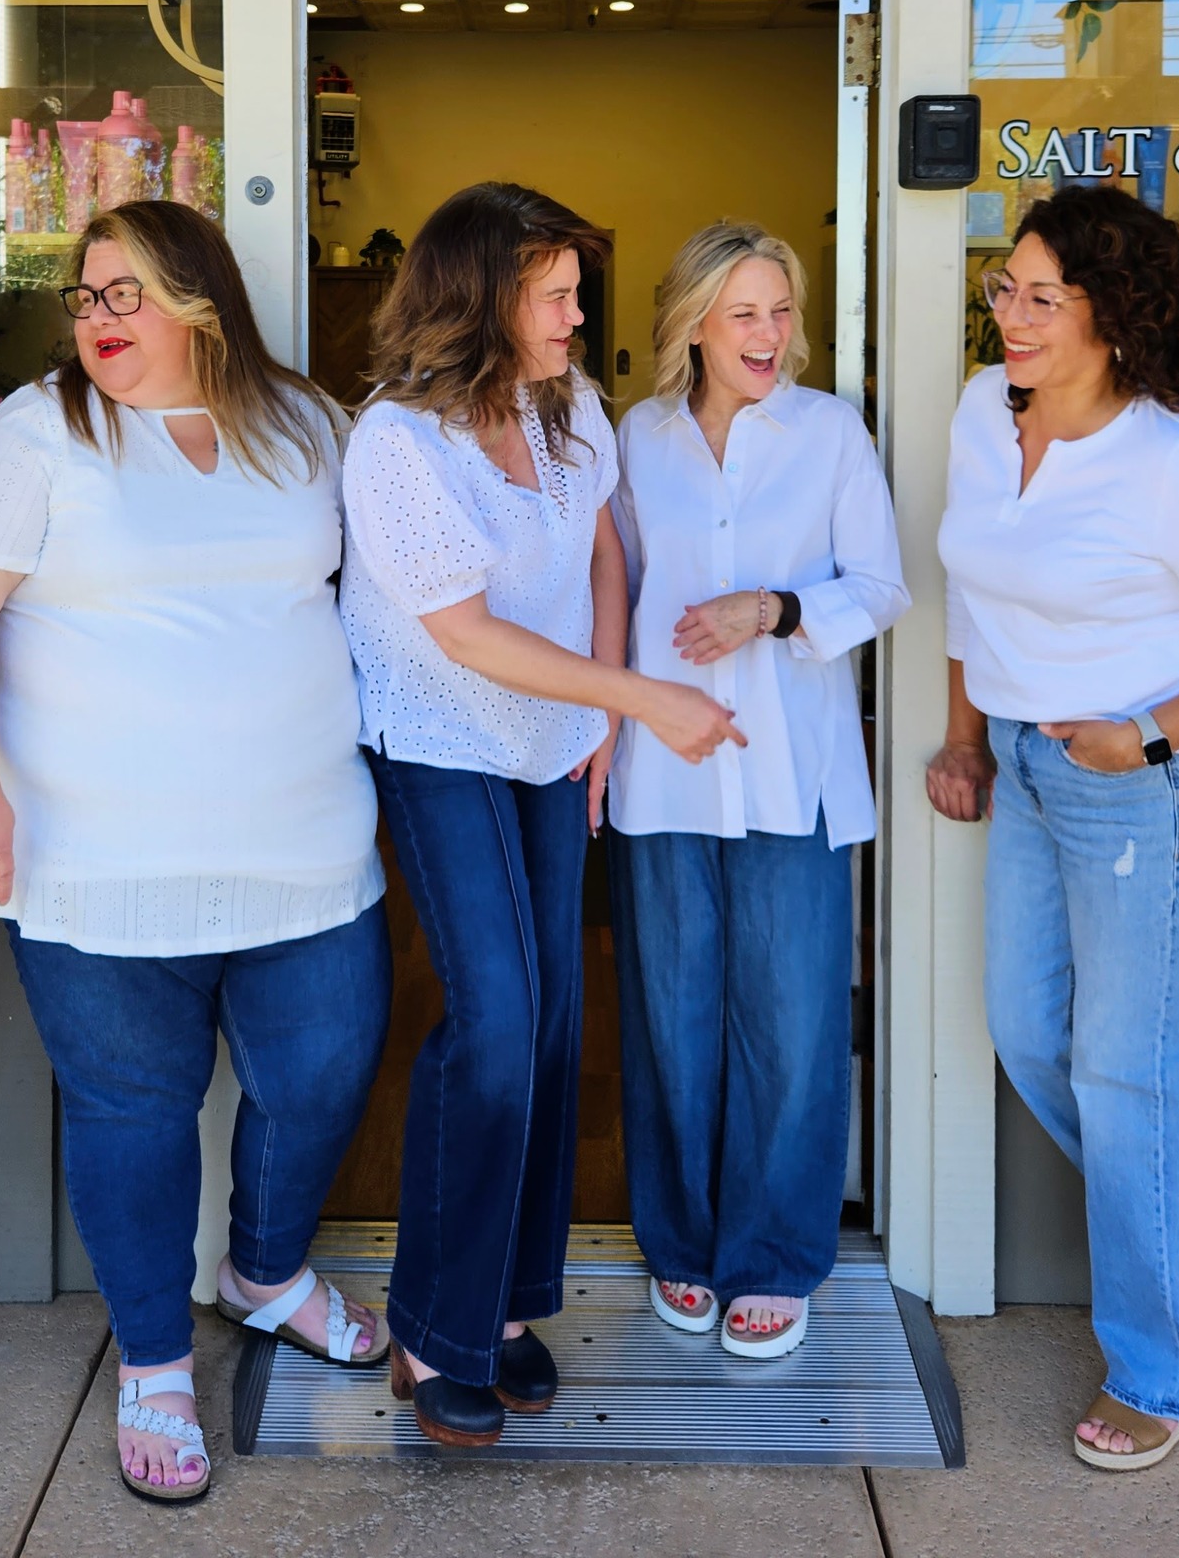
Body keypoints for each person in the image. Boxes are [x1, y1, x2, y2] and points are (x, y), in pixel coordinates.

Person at [0, 201, 391, 1508]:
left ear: (203, 299)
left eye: (127, 292)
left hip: (305, 848)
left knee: (325, 1069)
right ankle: (155, 1365)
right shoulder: (40, 432)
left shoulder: (304, 427)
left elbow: (391, 591)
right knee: (135, 1115)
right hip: (97, 861)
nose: (97, 317)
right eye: (85, 294)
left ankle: (268, 1271)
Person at [340, 181, 743, 1449]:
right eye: (557, 293)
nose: (579, 314)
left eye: (577, 289)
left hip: (557, 742)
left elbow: (607, 553)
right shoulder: (399, 441)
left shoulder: (569, 408)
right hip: (446, 741)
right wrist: (642, 694)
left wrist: (608, 717)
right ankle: (430, 1327)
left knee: (559, 1026)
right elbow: (464, 632)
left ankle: (504, 1310)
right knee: (498, 1026)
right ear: (484, 298)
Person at [926, 186, 1179, 1473]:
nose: (1014, 317)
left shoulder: (1178, 461)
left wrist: (1144, 732)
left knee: (1131, 1072)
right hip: (1033, 772)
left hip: (1140, 784)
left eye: (1045, 297)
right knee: (1033, 1030)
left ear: (1114, 313)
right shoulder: (987, 415)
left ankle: (1164, 1367)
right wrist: (971, 734)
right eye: (1006, 290)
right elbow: (970, 596)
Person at [607, 222, 908, 1359]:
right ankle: (681, 1244)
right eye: (744, 314)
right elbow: (613, 588)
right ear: (692, 323)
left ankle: (777, 1258)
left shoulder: (831, 431)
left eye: (781, 311)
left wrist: (775, 608)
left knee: (791, 1023)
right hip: (666, 773)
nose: (770, 335)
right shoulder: (638, 436)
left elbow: (880, 586)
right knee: (672, 1018)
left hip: (793, 775)